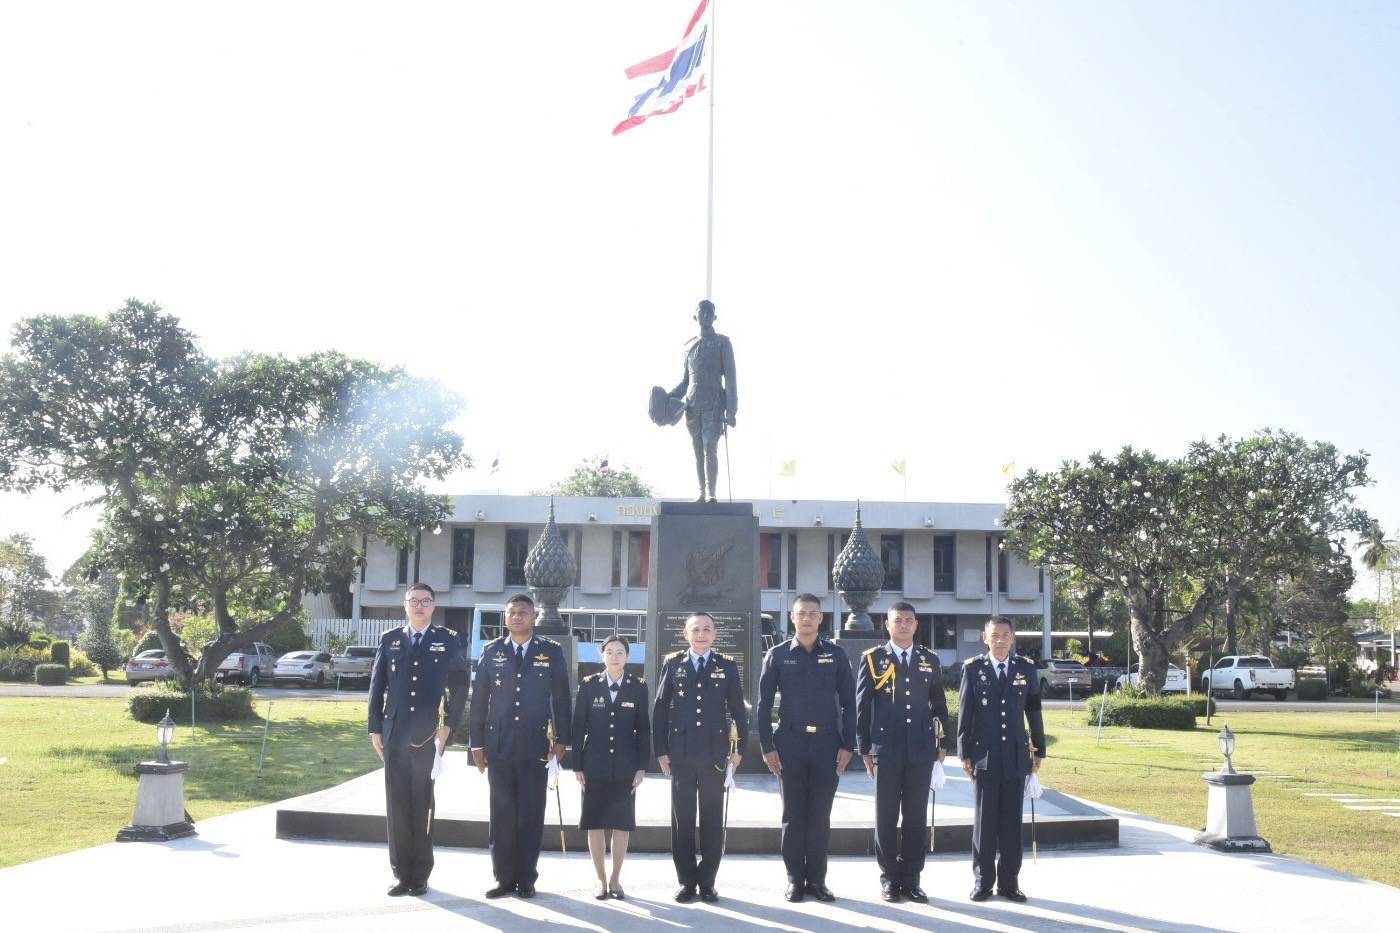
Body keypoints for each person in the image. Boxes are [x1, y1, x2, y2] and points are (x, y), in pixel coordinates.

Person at [467, 593, 571, 899]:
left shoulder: (550, 651)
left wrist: (562, 740)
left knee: (530, 814)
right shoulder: (492, 650)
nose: (516, 617)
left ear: (534, 616)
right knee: (501, 814)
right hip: (498, 746)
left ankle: (526, 878)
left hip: (536, 746)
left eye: (523, 612)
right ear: (505, 617)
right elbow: (479, 699)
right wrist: (476, 744)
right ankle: (503, 878)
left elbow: (562, 698)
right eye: (511, 612)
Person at [367, 582, 467, 897]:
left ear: (434, 606)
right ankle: (401, 873)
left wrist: (449, 726)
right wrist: (375, 728)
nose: (419, 606)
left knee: (423, 803)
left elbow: (460, 686)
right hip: (395, 733)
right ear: (405, 605)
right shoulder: (390, 639)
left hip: (428, 735)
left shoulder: (447, 640)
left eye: (425, 601)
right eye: (414, 600)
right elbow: (377, 686)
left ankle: (421, 874)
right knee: (396, 803)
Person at [756, 593, 856, 903]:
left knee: (820, 815)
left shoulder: (836, 655)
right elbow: (762, 706)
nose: (807, 618)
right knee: (793, 814)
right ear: (792, 618)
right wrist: (767, 747)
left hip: (827, 744)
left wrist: (848, 744)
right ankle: (794, 879)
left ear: (821, 618)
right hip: (790, 743)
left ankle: (817, 880)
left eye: (813, 613)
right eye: (802, 613)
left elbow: (850, 703)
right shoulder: (777, 655)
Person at [855, 602, 953, 904]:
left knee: (915, 816)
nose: (904, 625)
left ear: (916, 624)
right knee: (886, 816)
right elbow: (862, 707)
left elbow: (939, 704)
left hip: (921, 750)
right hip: (886, 750)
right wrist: (864, 748)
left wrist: (943, 744)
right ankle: (889, 878)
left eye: (909, 620)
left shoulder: (929, 659)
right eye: (898, 620)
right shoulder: (873, 659)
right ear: (887, 625)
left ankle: (912, 879)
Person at [652, 611, 748, 902]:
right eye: (695, 629)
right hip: (680, 754)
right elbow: (660, 708)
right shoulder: (673, 664)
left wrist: (738, 751)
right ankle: (686, 881)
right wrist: (661, 751)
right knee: (682, 820)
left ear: (715, 634)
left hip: (714, 754)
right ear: (686, 634)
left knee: (711, 819)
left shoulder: (726, 666)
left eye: (707, 629)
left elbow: (738, 710)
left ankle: (707, 881)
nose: (701, 634)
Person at [959, 616, 1046, 903]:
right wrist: (964, 752)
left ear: (1013, 638)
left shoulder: (1025, 668)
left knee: (1011, 822)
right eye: (994, 635)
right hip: (985, 756)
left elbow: (1034, 710)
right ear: (985, 638)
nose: (999, 640)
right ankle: (983, 882)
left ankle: (1009, 883)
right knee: (984, 823)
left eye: (1005, 635)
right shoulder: (973, 668)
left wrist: (1040, 749)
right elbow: (965, 713)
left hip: (1015, 756)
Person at [571, 635, 649, 900]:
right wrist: (578, 765)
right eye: (610, 652)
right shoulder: (589, 685)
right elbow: (578, 727)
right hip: (594, 765)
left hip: (626, 766)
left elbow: (643, 729)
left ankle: (615, 878)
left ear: (628, 656)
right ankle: (600, 879)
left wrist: (641, 766)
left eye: (620, 652)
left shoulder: (638, 687)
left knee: (621, 824)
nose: (614, 657)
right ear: (601, 655)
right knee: (594, 822)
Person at [667, 299, 737, 503]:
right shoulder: (688, 346)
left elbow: (731, 379)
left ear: (715, 317)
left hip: (714, 404)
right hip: (692, 405)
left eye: (709, 312)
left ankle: (711, 492)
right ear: (695, 316)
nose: (705, 315)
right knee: (697, 449)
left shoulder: (723, 342)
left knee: (709, 447)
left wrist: (731, 410)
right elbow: (685, 382)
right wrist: (668, 398)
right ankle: (701, 492)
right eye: (701, 312)